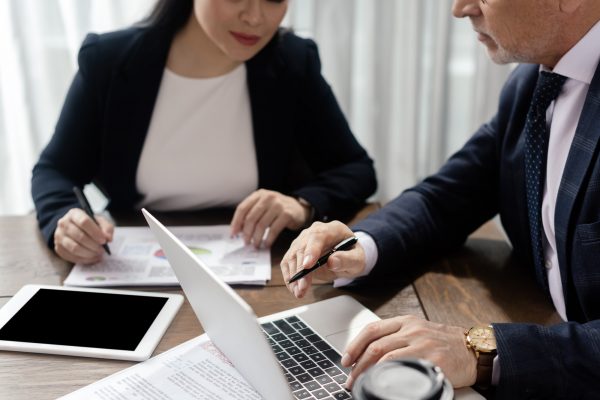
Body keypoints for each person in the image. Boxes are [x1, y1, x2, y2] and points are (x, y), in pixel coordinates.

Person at [280, 0, 600, 398]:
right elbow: (446, 196)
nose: (460, 8)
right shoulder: (534, 82)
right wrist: (358, 248)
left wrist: (479, 351)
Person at [31, 0, 376, 265]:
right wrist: (64, 219)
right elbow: (55, 170)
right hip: (132, 267)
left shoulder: (293, 63)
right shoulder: (110, 61)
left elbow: (356, 169)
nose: (255, 17)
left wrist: (301, 205)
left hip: (264, 270)